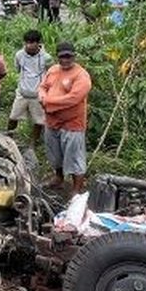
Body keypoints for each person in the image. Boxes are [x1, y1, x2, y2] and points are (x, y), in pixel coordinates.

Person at [38, 41, 92, 193]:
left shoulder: (81, 75)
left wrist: (48, 102)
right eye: (62, 57)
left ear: (74, 56)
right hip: (52, 122)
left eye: (69, 57)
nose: (66, 60)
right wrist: (42, 96)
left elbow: (73, 98)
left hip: (72, 123)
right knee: (55, 155)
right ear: (58, 57)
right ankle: (59, 178)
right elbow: (43, 87)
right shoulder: (53, 70)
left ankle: (76, 189)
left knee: (75, 158)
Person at [8, 30, 49, 142]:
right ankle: (8, 138)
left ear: (38, 43)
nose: (29, 45)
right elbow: (18, 70)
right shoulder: (19, 55)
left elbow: (50, 74)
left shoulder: (46, 58)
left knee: (39, 121)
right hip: (22, 93)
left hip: (37, 95)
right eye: (27, 42)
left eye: (32, 42)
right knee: (13, 117)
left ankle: (33, 143)